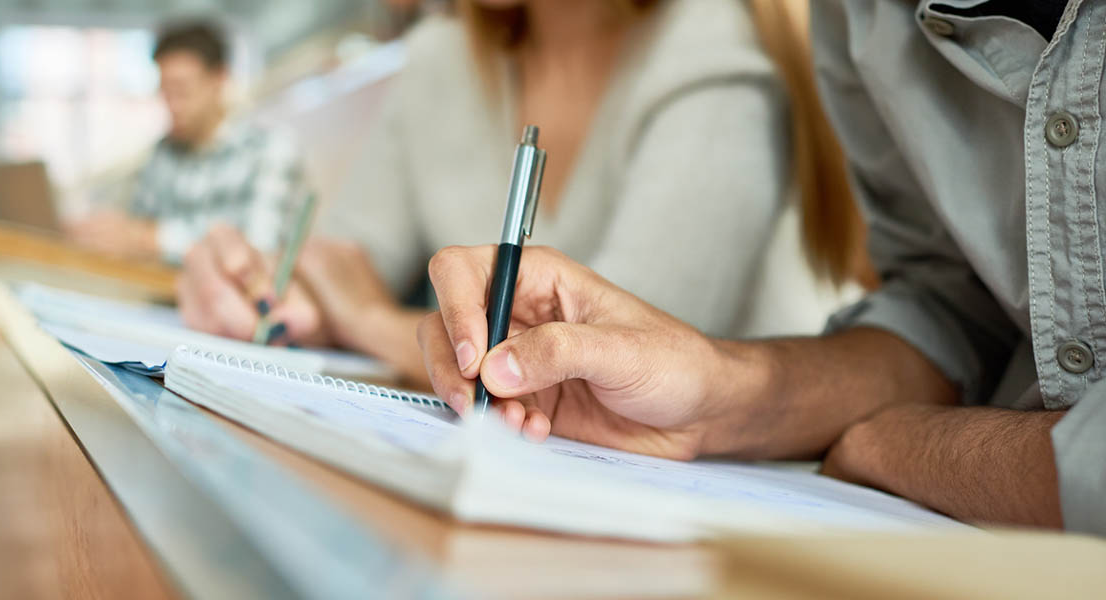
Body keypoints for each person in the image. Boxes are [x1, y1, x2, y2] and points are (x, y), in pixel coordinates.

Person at [418, 0, 1106, 536]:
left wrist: (910, 446)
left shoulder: (711, 42)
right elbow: (956, 308)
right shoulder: (863, 15)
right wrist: (723, 391)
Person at [176, 0, 865, 386]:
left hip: (720, 519)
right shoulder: (440, 56)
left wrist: (365, 320)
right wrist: (271, 289)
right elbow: (345, 260)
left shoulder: (720, 45)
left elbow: (612, 365)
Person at [66, 21, 304, 264]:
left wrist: (152, 239)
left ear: (220, 78)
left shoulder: (270, 150)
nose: (173, 105)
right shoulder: (163, 153)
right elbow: (136, 226)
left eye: (182, 90)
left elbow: (259, 249)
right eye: (165, 92)